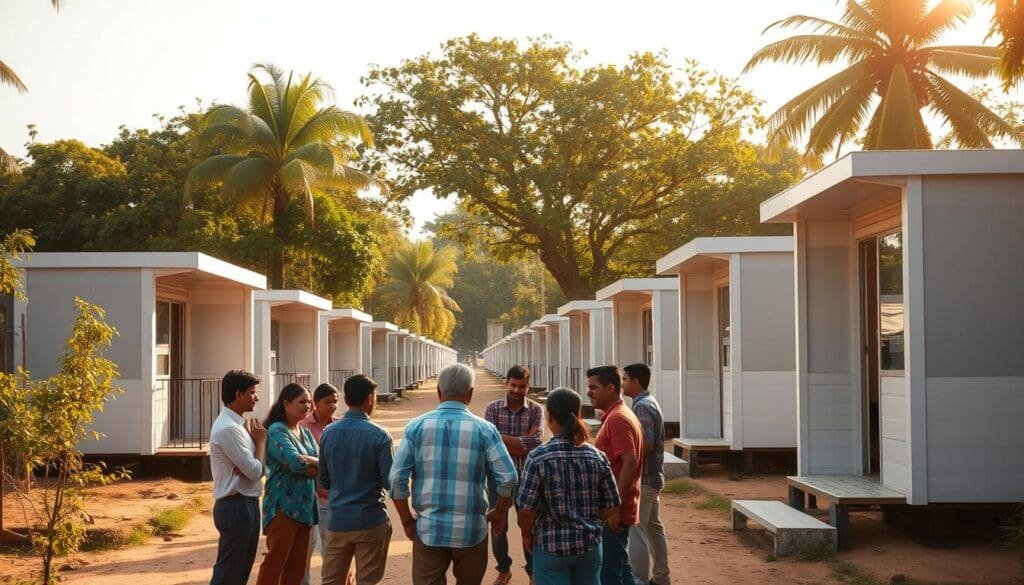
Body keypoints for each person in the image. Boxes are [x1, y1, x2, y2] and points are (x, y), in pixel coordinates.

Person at [389, 363, 518, 585]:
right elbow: (508, 477)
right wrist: (500, 511)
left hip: (429, 530)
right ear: (470, 394)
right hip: (471, 532)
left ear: (439, 391)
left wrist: (407, 520)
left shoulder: (416, 427)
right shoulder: (485, 430)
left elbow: (396, 479)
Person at [517, 387, 621, 585]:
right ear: (579, 415)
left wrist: (527, 535)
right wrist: (591, 522)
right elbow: (613, 504)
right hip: (589, 547)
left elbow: (526, 509)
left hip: (551, 547)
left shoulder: (538, 457)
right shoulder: (596, 456)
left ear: (550, 417)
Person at [318, 375, 394, 585]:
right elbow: (390, 482)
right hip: (370, 518)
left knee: (332, 579)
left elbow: (324, 481)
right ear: (370, 398)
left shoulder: (328, 433)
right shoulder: (380, 435)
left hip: (337, 520)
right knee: (367, 580)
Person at [484, 365, 543, 585]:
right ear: (506, 384)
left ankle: (532, 571)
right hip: (497, 479)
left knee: (529, 525)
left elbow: (535, 442)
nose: (517, 390)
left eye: (522, 386)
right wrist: (520, 443)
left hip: (529, 478)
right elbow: (490, 444)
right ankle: (504, 569)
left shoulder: (536, 410)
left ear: (527, 386)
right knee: (499, 526)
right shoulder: (492, 409)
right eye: (513, 385)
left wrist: (501, 438)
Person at [256, 383, 319, 585]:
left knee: (297, 567)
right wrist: (314, 465)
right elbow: (294, 463)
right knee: (276, 563)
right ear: (286, 403)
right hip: (283, 508)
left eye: (309, 402)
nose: (307, 406)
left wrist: (310, 461)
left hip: (306, 509)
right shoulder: (277, 430)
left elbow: (326, 464)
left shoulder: (306, 432)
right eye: (302, 402)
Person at [586, 365, 643, 585]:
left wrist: (614, 507)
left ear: (610, 388)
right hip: (616, 507)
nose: (589, 392)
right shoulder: (617, 415)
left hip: (616, 511)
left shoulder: (618, 418)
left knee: (609, 573)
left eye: (594, 387)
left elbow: (630, 461)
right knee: (621, 567)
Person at [210, 370, 266, 585]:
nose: (257, 397)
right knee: (229, 574)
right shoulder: (228, 429)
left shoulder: (239, 426)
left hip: (247, 503)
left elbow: (256, 468)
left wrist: (253, 462)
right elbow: (253, 471)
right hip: (235, 506)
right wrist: (260, 443)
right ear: (238, 394)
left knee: (240, 573)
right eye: (252, 392)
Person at [622, 363, 670, 585]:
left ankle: (639, 579)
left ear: (636, 382)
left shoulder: (642, 407)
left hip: (646, 479)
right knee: (653, 528)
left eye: (625, 379)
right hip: (652, 477)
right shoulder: (647, 403)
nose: (622, 383)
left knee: (637, 529)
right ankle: (661, 577)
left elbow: (647, 443)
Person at [299, 383, 342, 585]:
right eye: (327, 402)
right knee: (305, 548)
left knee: (331, 549)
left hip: (330, 497)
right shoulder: (302, 426)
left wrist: (315, 461)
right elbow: (299, 459)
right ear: (315, 403)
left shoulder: (339, 427)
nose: (332, 406)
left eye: (335, 401)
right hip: (308, 496)